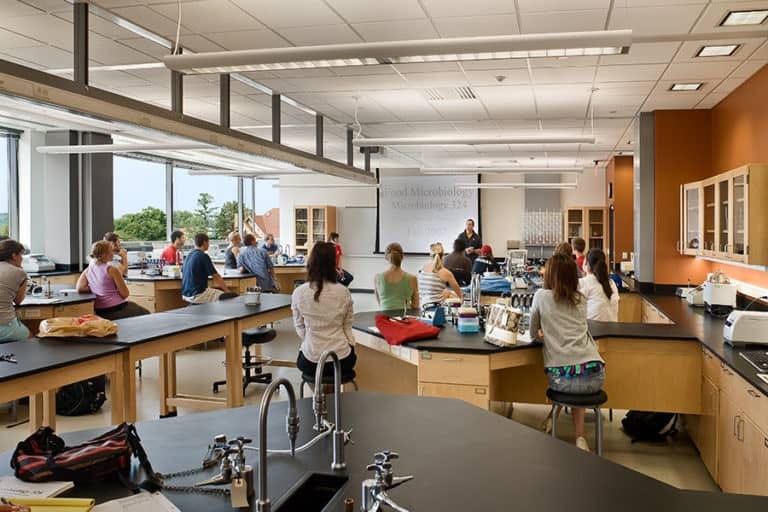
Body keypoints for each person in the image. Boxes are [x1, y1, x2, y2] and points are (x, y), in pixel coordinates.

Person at [530, 253, 605, 452]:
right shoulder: (580, 299)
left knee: (568, 375)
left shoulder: (540, 296)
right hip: (595, 375)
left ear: (550, 275)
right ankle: (580, 437)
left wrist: (545, 337)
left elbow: (532, 333)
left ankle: (551, 421)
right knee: (577, 371)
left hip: (562, 379)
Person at [292, 241, 356, 377]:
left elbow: (300, 328)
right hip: (341, 358)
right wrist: (349, 345)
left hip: (311, 359)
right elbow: (347, 328)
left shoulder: (299, 292)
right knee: (337, 373)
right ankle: (333, 395)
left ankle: (318, 395)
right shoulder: (344, 291)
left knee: (307, 368)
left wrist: (311, 342)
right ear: (333, 264)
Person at [76, 241, 150, 320]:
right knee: (147, 315)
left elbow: (80, 288)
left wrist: (97, 288)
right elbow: (125, 294)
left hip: (100, 311)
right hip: (117, 308)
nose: (113, 253)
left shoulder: (88, 269)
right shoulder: (112, 270)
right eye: (111, 251)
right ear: (104, 254)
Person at [181, 233, 234, 304]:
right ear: (205, 242)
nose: (209, 244)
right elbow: (216, 276)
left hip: (186, 294)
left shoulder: (189, 255)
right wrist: (227, 291)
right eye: (208, 242)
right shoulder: (203, 256)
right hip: (198, 294)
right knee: (229, 297)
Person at [0, 239, 30, 342]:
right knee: (31, 339)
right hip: (4, 326)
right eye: (21, 255)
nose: (22, 258)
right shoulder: (20, 273)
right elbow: (18, 301)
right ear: (14, 255)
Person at [374, 242, 419, 311]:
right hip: (405, 319)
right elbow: (415, 305)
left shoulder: (377, 278)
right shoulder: (412, 278)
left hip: (384, 320)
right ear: (402, 257)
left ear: (386, 257)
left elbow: (381, 303)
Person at [579, 248, 619, 322]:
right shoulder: (611, 282)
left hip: (593, 330)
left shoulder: (584, 282)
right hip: (613, 329)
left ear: (587, 264)